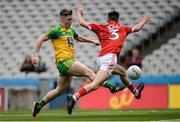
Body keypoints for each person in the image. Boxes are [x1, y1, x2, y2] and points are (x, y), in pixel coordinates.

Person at [31, 9, 123, 117]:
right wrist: (36, 55)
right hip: (64, 61)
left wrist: (92, 41)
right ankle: (112, 86)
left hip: (68, 63)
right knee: (88, 72)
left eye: (72, 19)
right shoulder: (56, 30)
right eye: (69, 19)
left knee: (60, 90)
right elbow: (40, 39)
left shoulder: (70, 31)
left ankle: (39, 105)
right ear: (62, 18)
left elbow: (78, 37)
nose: (71, 21)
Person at [67, 5, 151, 115]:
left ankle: (135, 92)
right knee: (95, 84)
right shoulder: (123, 29)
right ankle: (74, 96)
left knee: (122, 72)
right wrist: (143, 21)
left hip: (101, 58)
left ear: (108, 20)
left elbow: (82, 23)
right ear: (118, 20)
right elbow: (137, 28)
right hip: (110, 58)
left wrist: (78, 12)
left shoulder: (102, 27)